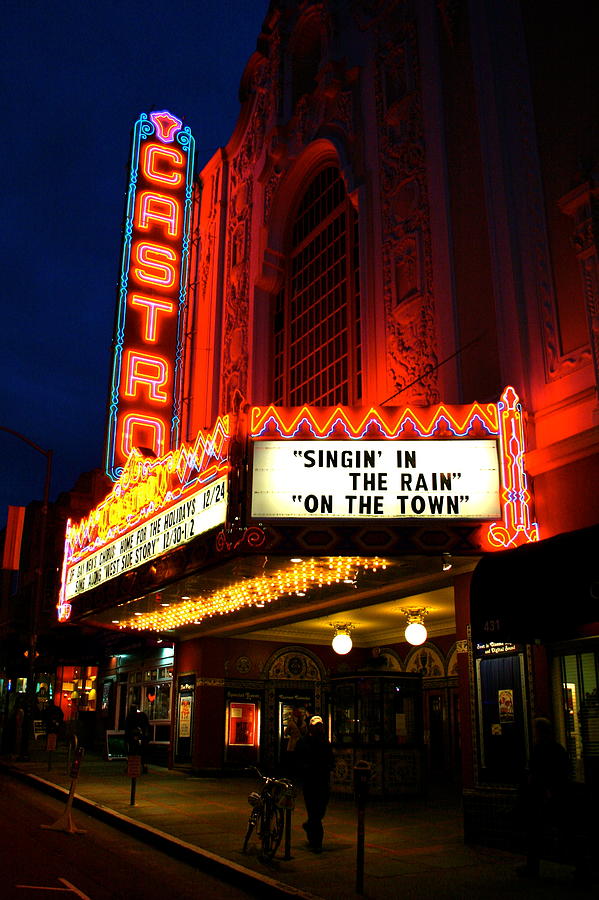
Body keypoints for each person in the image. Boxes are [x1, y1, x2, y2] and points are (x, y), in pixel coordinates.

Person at [517, 716, 570, 877]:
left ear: (539, 732)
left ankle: (532, 867)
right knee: (564, 831)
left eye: (535, 731)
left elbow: (534, 773)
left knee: (536, 833)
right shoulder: (559, 749)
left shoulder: (540, 749)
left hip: (543, 797)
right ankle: (582, 866)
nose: (534, 734)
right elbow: (564, 772)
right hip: (557, 796)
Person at [296, 714, 335, 853]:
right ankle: (316, 841)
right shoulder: (303, 742)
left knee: (320, 809)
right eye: (317, 726)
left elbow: (331, 759)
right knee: (314, 811)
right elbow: (298, 760)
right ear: (311, 727)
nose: (320, 728)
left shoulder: (325, 742)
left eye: (321, 726)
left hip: (323, 781)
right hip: (311, 781)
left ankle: (310, 826)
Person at [124, 705, 150, 773]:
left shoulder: (130, 716)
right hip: (140, 737)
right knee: (141, 752)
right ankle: (142, 766)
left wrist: (127, 738)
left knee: (132, 752)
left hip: (133, 737)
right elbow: (146, 726)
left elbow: (127, 728)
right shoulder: (142, 715)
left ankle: (131, 767)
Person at [283, 708, 306, 775]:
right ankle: (298, 773)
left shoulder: (291, 723)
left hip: (292, 745)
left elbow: (285, 733)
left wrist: (292, 734)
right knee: (298, 760)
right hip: (300, 745)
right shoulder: (304, 723)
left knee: (291, 760)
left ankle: (291, 773)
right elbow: (305, 733)